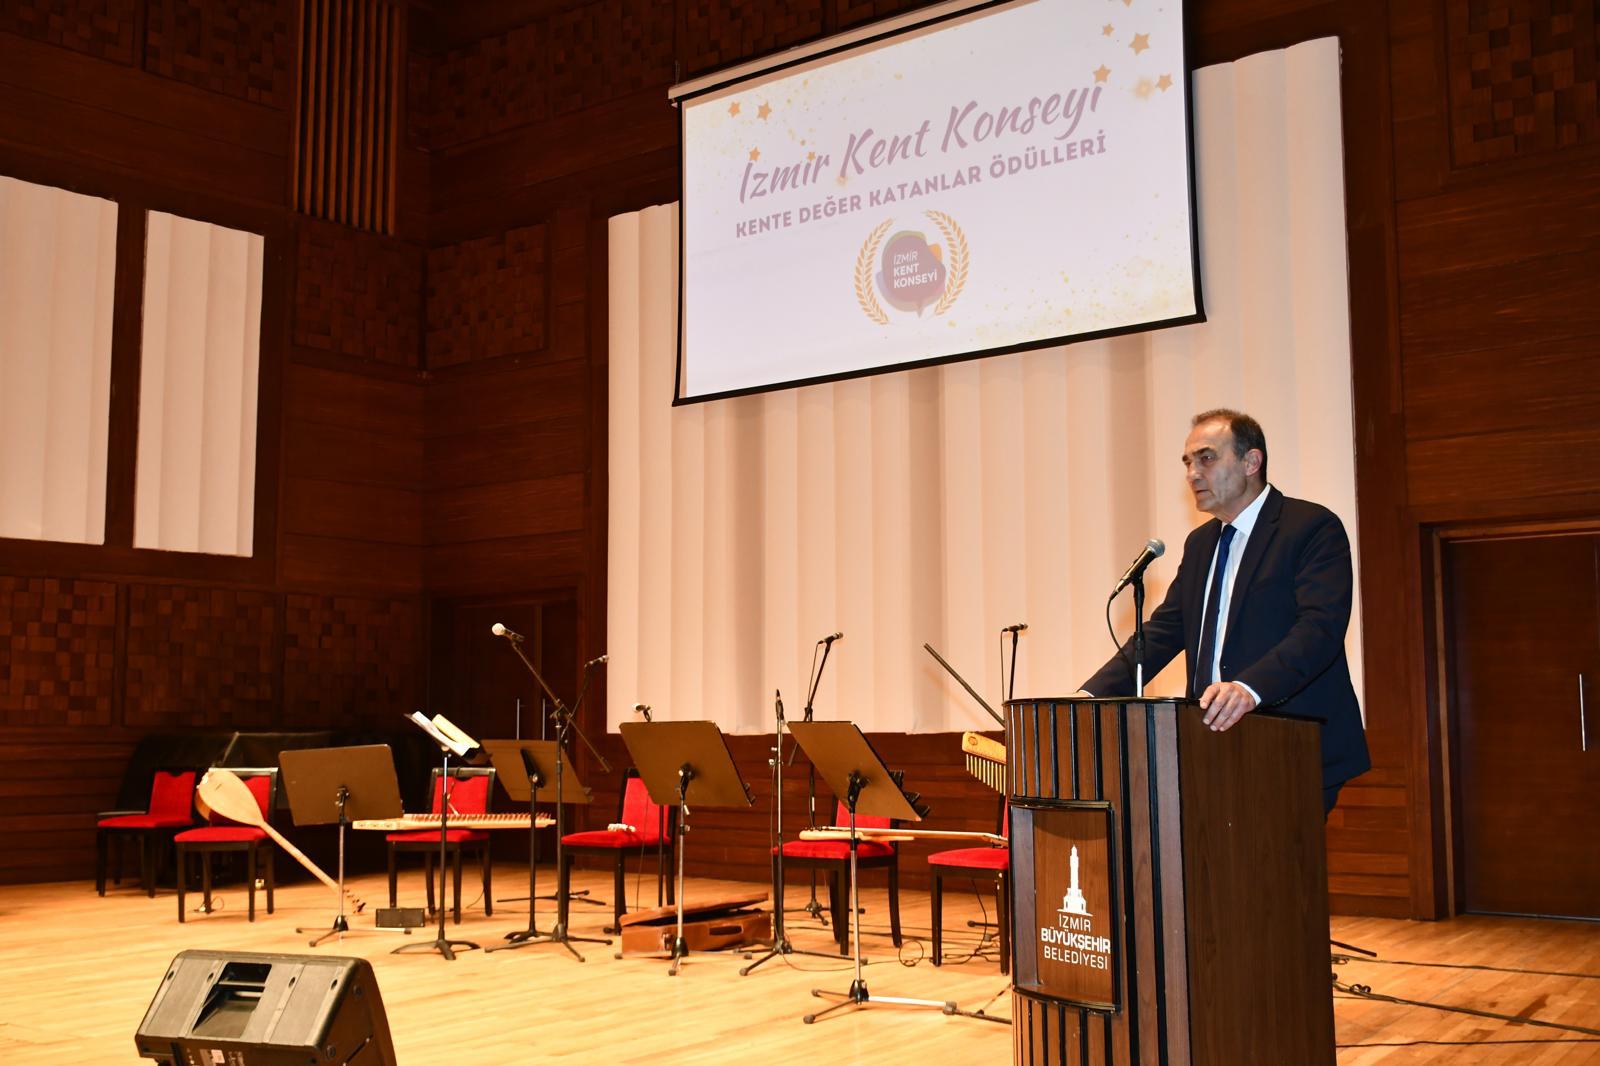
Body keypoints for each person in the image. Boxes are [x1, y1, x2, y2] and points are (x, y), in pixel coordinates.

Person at [1077, 409, 1369, 815]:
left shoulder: (1310, 527)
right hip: (1208, 746)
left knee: (1274, 875)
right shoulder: (1201, 544)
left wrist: (1248, 688)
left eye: (1207, 458)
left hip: (1289, 743)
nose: (1193, 473)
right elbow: (1164, 631)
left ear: (1251, 462)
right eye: (1187, 462)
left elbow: (1320, 628)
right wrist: (1089, 694)